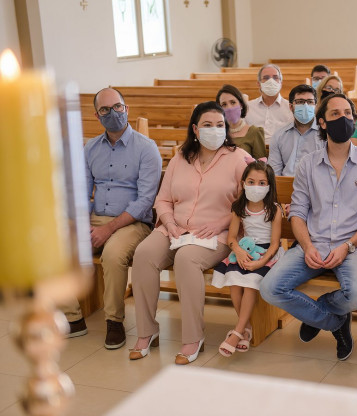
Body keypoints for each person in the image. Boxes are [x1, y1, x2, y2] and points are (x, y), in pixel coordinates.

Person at [260, 94, 357, 361]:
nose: (344, 118)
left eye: (348, 113)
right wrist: (307, 246)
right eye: (335, 114)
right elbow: (298, 212)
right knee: (270, 288)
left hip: (351, 247)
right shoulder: (308, 164)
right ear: (323, 123)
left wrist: (348, 246)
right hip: (313, 243)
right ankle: (334, 322)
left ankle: (319, 311)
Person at [129, 101, 248, 365]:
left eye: (219, 125)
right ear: (195, 129)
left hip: (216, 233)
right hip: (176, 228)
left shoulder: (238, 158)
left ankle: (194, 337)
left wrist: (221, 223)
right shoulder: (180, 158)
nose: (214, 130)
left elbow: (249, 202)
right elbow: (163, 199)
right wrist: (169, 223)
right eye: (207, 125)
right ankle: (147, 331)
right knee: (144, 254)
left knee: (186, 258)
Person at [61, 88, 162, 348]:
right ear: (97, 115)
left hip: (133, 222)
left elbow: (145, 201)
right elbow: (82, 193)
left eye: (117, 107)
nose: (112, 113)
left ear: (126, 109)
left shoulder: (146, 148)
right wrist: (82, 225)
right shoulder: (91, 148)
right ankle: (73, 318)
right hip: (97, 218)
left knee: (114, 254)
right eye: (105, 109)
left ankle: (114, 321)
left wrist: (108, 230)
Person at [212, 160, 284, 357]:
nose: (256, 187)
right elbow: (231, 238)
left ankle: (237, 332)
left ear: (269, 186)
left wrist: (261, 261)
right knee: (234, 282)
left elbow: (275, 243)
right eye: (251, 182)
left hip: (267, 253)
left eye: (262, 183)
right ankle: (246, 328)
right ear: (243, 183)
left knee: (251, 282)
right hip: (245, 250)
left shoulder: (274, 209)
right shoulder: (239, 207)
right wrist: (239, 251)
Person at [268, 84, 323, 176]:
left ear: (316, 107)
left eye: (310, 102)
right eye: (300, 102)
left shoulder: (326, 135)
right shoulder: (279, 136)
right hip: (286, 183)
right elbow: (274, 173)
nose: (305, 106)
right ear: (291, 107)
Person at [245, 64, 294, 144]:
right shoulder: (248, 107)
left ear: (281, 83)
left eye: (275, 77)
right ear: (259, 84)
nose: (271, 81)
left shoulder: (290, 108)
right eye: (266, 78)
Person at [216, 84, 266, 159]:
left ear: (241, 105)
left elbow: (260, 164)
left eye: (233, 102)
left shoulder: (255, 132)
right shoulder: (217, 133)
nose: (229, 107)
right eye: (224, 104)